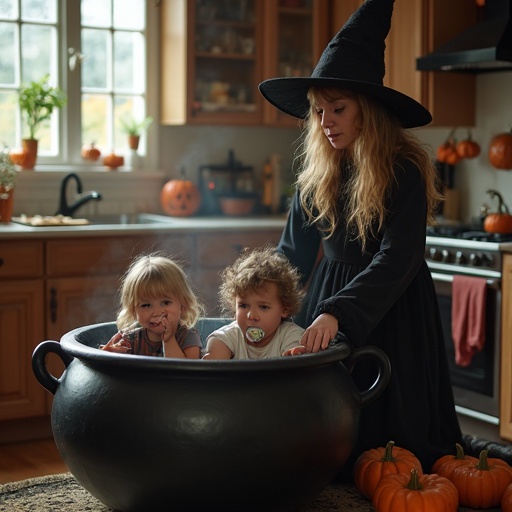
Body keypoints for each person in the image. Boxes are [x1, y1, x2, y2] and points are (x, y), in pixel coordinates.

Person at [258, 0, 462, 474]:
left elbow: (398, 257)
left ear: (367, 110)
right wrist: (260, 299)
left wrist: (338, 311)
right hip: (329, 302)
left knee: (395, 445)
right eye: (318, 111)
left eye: (338, 108)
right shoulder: (317, 175)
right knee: (331, 438)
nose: (326, 121)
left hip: (391, 304)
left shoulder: (406, 169)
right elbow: (291, 254)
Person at [202, 246, 305, 360]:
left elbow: (296, 358)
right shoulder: (228, 338)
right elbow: (214, 360)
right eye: (243, 305)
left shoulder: (291, 336)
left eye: (263, 307)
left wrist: (295, 357)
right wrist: (215, 354)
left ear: (285, 309)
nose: (251, 316)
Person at [100, 253, 203, 358]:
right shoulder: (131, 339)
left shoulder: (188, 336)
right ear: (133, 310)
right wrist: (109, 352)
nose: (157, 312)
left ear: (183, 305)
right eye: (146, 305)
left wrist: (169, 340)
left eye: (166, 303)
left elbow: (188, 371)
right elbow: (103, 361)